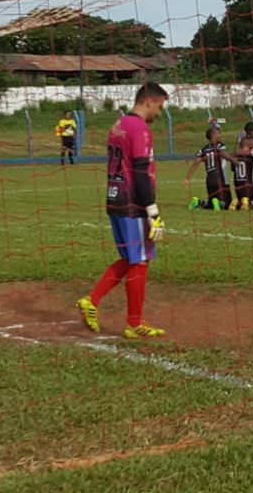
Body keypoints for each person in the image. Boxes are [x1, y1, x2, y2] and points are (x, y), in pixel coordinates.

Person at [77, 82, 169, 339]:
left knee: (132, 258)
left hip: (114, 198)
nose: (159, 113)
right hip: (132, 203)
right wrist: (152, 212)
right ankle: (133, 322)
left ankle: (92, 301)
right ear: (149, 101)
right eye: (159, 106)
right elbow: (140, 172)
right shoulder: (140, 129)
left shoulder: (117, 125)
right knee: (140, 260)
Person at [184, 126, 235, 211]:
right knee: (227, 205)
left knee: (211, 202)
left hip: (210, 179)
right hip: (221, 178)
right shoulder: (220, 145)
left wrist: (187, 178)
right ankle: (218, 202)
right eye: (218, 133)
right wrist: (234, 160)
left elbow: (196, 162)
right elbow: (224, 154)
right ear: (213, 135)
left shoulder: (203, 149)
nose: (219, 135)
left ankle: (198, 202)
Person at [229, 136, 253, 210]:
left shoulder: (235, 157)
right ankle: (245, 202)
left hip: (237, 184)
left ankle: (236, 202)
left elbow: (232, 169)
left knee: (240, 197)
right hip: (247, 184)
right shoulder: (250, 156)